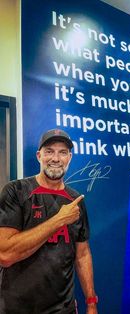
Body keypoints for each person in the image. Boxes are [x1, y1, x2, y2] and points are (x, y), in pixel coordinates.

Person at [0, 129, 98, 314]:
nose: (56, 158)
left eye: (62, 152)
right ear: (39, 156)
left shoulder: (75, 200)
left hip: (63, 308)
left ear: (69, 157)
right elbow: (5, 255)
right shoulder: (15, 191)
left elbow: (82, 254)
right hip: (17, 308)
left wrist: (91, 302)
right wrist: (59, 220)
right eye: (49, 151)